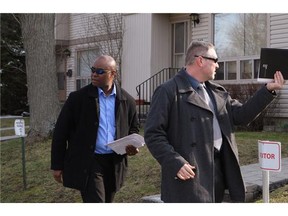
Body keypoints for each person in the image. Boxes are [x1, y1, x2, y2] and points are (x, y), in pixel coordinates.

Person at [144, 41, 285, 203]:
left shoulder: (217, 92)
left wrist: (268, 89)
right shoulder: (168, 91)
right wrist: (174, 162)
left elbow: (242, 115)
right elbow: (153, 134)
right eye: (215, 60)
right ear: (200, 60)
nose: (218, 65)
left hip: (219, 172)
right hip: (189, 174)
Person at [51, 55, 139, 203]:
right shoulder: (77, 99)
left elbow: (133, 130)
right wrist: (57, 165)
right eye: (93, 70)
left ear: (113, 74)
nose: (93, 74)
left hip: (114, 163)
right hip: (90, 162)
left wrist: (134, 147)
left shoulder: (127, 101)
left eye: (99, 71)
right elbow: (60, 132)